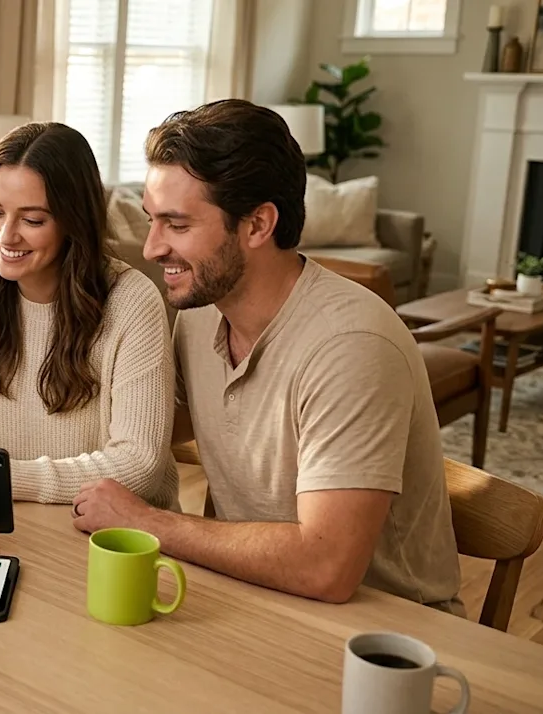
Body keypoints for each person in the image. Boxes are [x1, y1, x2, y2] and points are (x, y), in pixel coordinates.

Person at [71, 99, 464, 615]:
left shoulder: (351, 346)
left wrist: (146, 521)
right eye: (151, 220)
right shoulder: (201, 313)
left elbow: (327, 567)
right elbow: (145, 427)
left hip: (384, 633)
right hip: (248, 593)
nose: (150, 248)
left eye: (177, 225)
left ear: (258, 225)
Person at [0, 121, 179, 549]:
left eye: (32, 219)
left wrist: (0, 474)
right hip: (8, 521)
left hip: (113, 539)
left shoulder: (132, 302)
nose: (6, 236)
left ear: (73, 222)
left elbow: (139, 465)